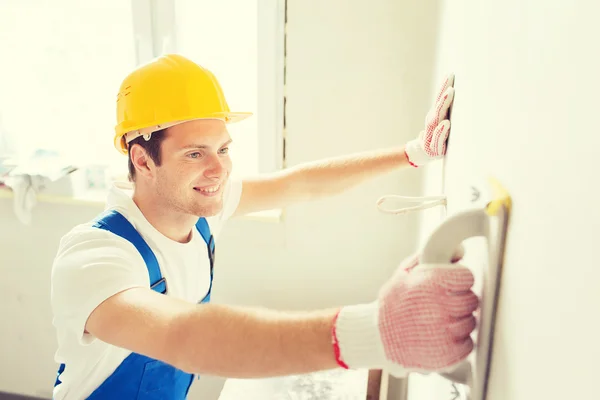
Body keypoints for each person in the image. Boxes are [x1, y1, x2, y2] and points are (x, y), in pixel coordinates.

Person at [50, 54, 478, 400]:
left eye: (223, 148)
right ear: (142, 160)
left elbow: (299, 184)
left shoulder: (201, 212)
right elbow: (183, 336)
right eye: (195, 154)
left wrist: (412, 153)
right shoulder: (95, 255)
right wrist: (373, 332)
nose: (219, 169)